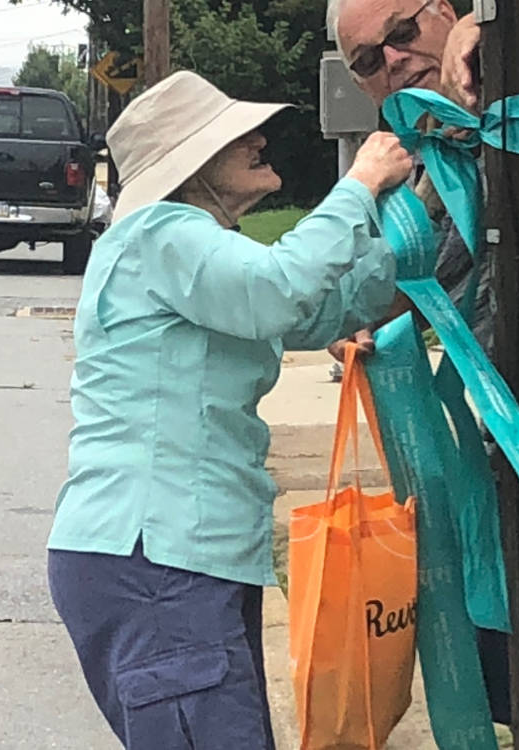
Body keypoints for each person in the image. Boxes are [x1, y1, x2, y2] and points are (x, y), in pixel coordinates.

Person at [47, 70, 412, 749]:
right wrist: (359, 184)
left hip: (171, 559)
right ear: (188, 167)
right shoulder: (161, 233)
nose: (259, 140)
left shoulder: (186, 252)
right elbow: (278, 290)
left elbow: (319, 309)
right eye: (234, 135)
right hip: (158, 560)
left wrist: (423, 219)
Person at [327, 0, 512, 725]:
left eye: (402, 33)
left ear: (444, 11)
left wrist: (487, 29)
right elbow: (394, 286)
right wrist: (351, 318)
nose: (394, 60)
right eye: (369, 60)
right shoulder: (419, 164)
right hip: (506, 465)